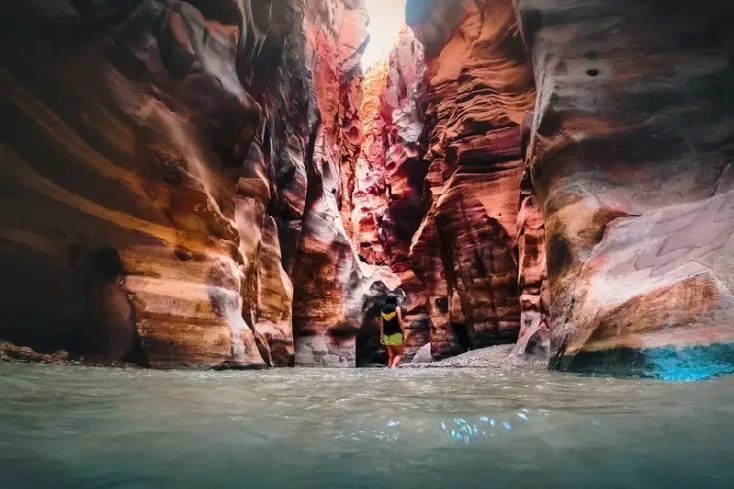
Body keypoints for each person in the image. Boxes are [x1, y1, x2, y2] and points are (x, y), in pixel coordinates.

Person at [380, 295, 405, 368]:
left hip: (386, 335)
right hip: (396, 334)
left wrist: (381, 338)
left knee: (390, 356)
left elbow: (382, 325)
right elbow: (400, 322)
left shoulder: (382, 311)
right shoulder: (397, 309)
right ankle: (394, 366)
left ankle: (389, 369)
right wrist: (404, 333)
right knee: (399, 354)